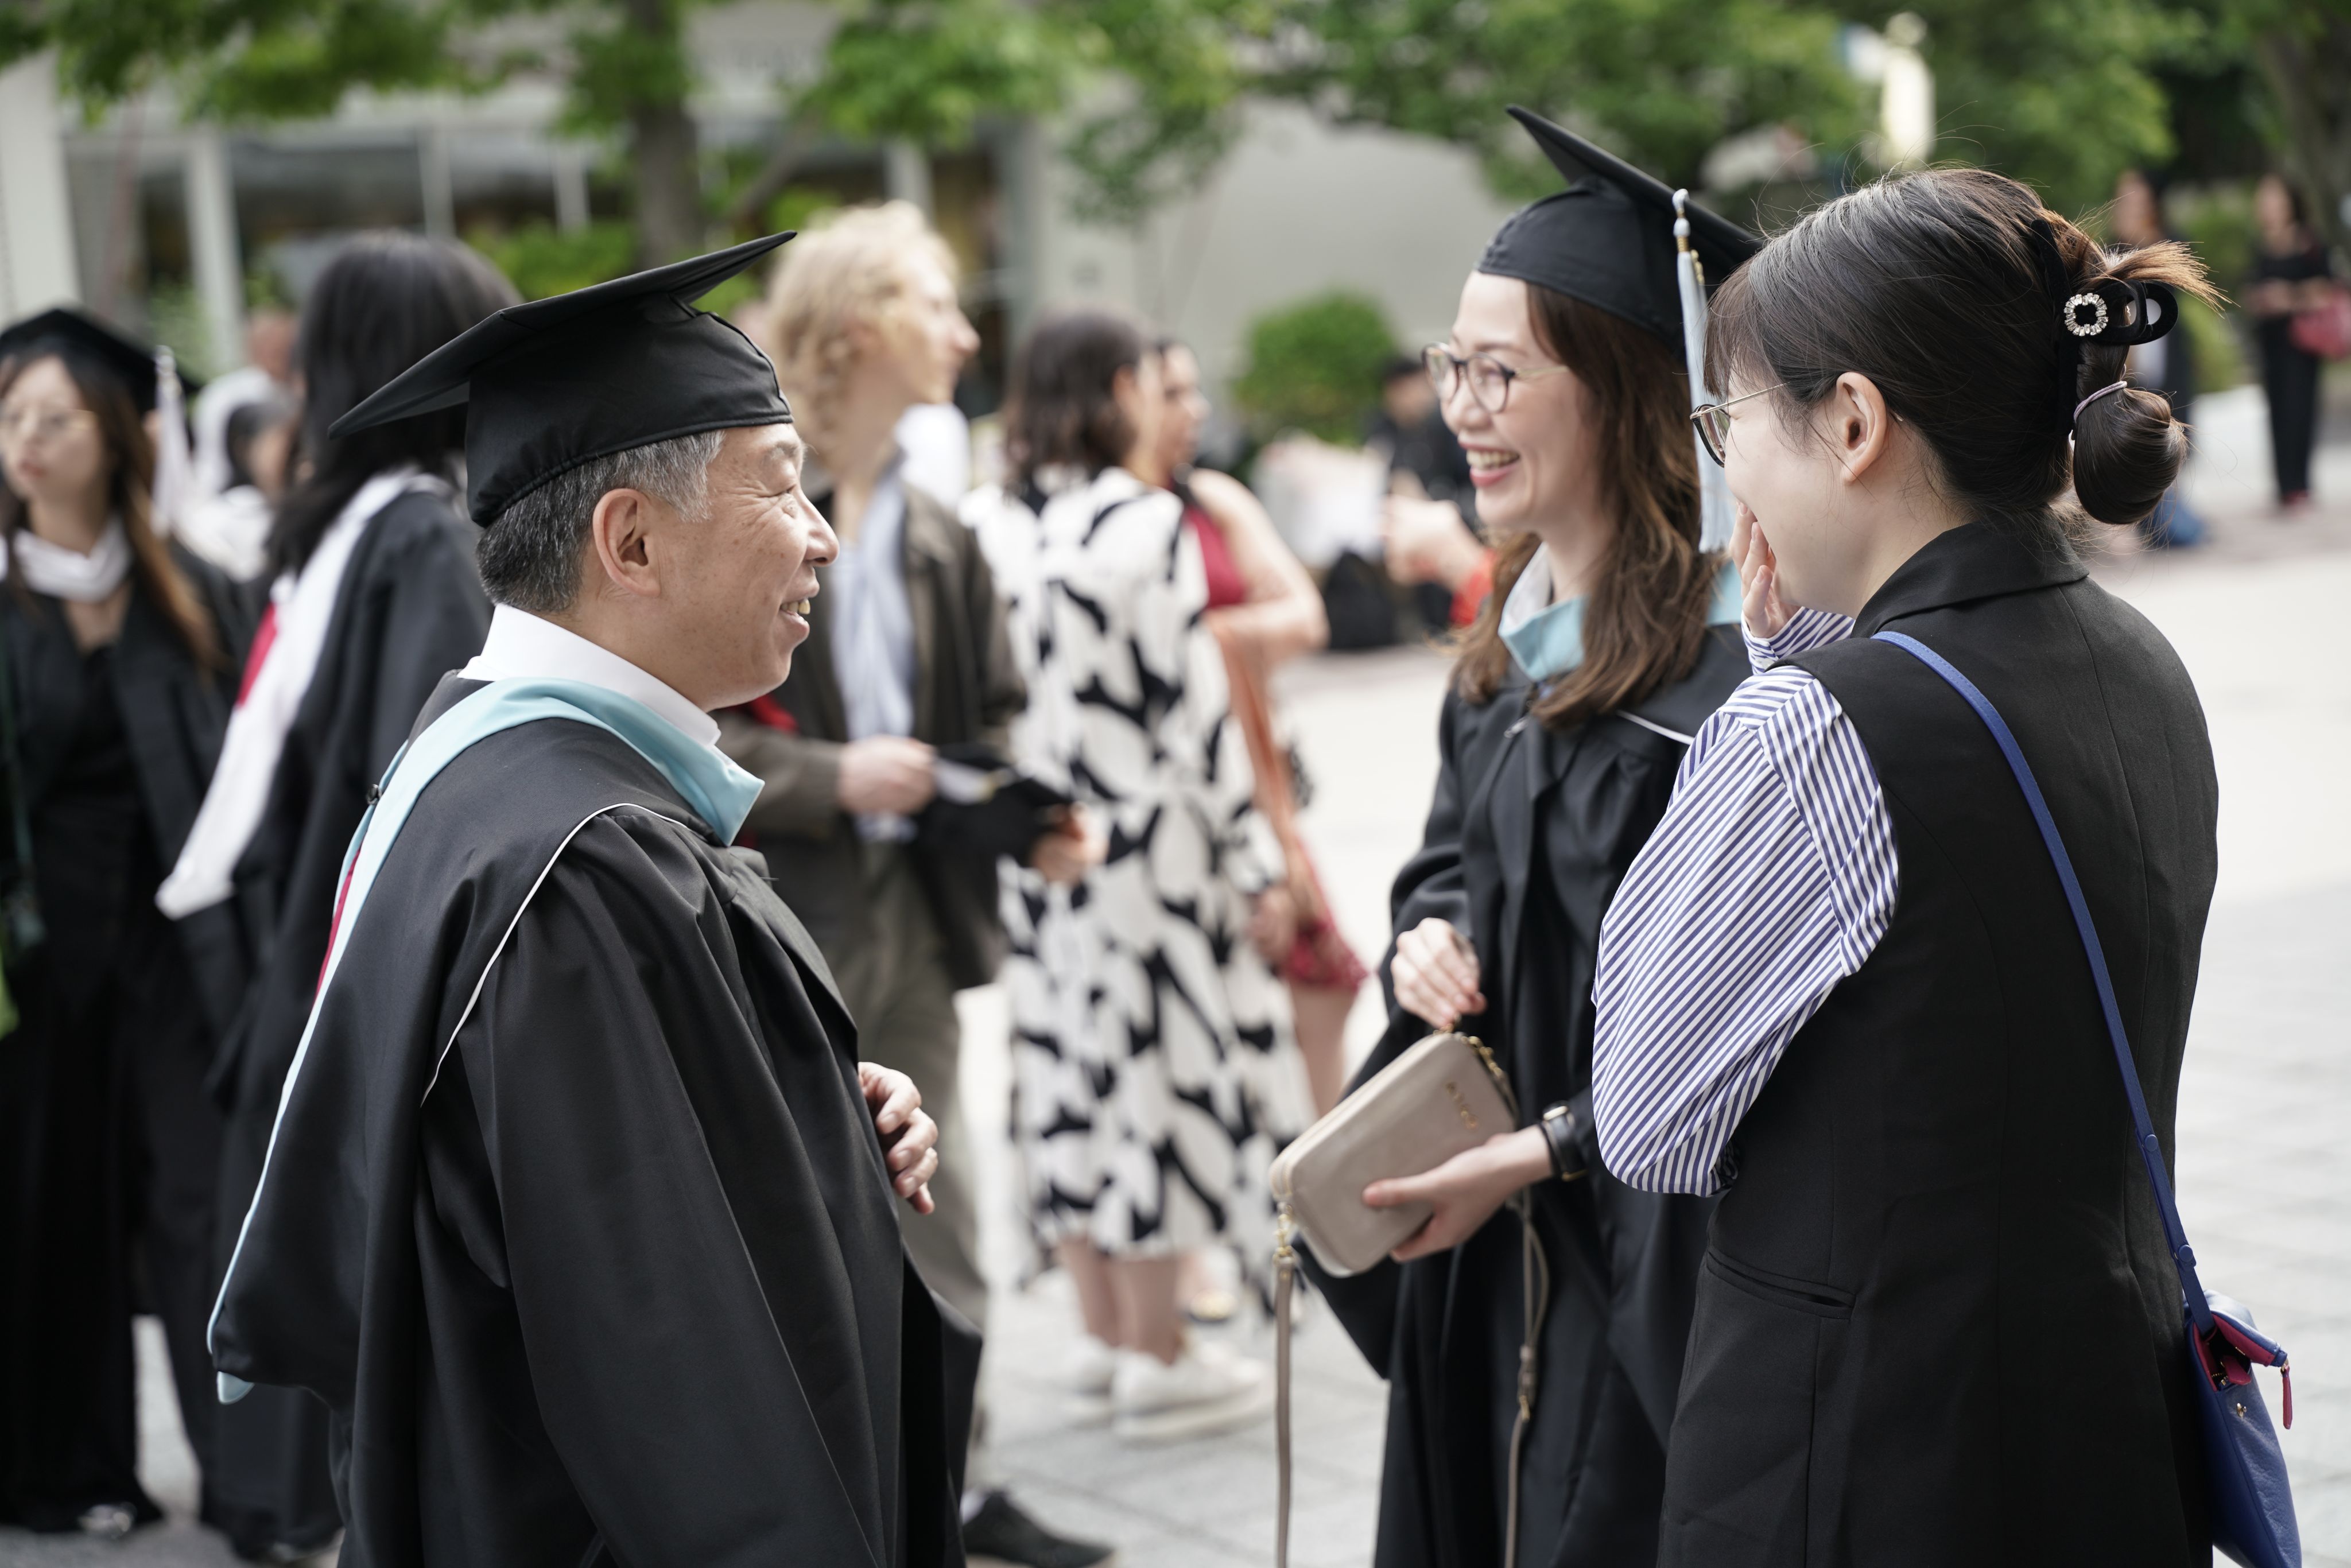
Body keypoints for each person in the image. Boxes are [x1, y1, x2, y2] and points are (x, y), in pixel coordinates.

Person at [208, 234, 974, 1565]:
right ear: (631, 540)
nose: (822, 539)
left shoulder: (486, 773)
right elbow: (678, 1385)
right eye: (781, 490)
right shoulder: (581, 870)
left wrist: (814, 1115)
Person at [1590, 169, 2220, 1563]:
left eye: (1732, 419)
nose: (1726, 466)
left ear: (1856, 422)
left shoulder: (1809, 728)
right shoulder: (2143, 661)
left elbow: (1646, 1119)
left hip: (1860, 1458)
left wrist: (1776, 691)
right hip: (2107, 1428)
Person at [1298, 109, 1754, 1568]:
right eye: (1454, 368)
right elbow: (1449, 858)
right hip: (1485, 1240)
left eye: (1501, 373)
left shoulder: (1727, 689)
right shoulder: (1504, 638)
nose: (1461, 409)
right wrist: (1421, 935)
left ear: (1625, 393)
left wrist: (1553, 1154)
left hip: (1648, 1262)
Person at [727, 201, 1108, 1568]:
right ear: (858, 327)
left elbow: (989, 718)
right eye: (936, 305)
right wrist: (839, 777)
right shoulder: (753, 502)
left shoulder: (940, 530)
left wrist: (1022, 815)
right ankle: (831, 1487)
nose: (964, 332)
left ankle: (954, 1479)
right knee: (799, 1206)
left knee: (939, 1201)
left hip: (914, 909)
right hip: (784, 910)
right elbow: (680, 717)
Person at [156, 232, 516, 1562]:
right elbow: (415, 776)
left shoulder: (338, 527)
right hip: (342, 949)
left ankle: (274, 1504)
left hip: (286, 935)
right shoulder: (420, 534)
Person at [967, 309, 1312, 1443]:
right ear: (1117, 388)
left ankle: (1107, 1334)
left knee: (1066, 1079)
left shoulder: (992, 525)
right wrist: (1259, 860)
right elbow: (1194, 713)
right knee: (1154, 1082)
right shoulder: (1142, 522)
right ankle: (1161, 1353)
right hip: (1147, 855)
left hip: (1040, 849)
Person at [0, 310, 250, 1542]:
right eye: (10, 420)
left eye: (54, 416)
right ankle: (70, 1467)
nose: (28, 442)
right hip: (42, 971)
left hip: (177, 956)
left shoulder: (196, 591)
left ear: (116, 434)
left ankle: (251, 1475)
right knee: (56, 1206)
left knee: (202, 1201)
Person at [1137, 336, 1359, 1117]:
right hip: (1167, 798)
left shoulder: (1212, 500)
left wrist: (1209, 641)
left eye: (1196, 392)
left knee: (1318, 981)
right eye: (1173, 394)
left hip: (1254, 769)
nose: (1195, 411)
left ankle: (1322, 1182)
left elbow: (1305, 615)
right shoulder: (1104, 521)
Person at [2113, 168, 2205, 548]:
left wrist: (2143, 239)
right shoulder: (2111, 246)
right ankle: (2143, 521)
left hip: (2166, 352)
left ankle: (2171, 520)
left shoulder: (2168, 239)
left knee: (2173, 425)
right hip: (2130, 358)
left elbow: (2181, 280)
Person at [2249, 172, 2337, 513]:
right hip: (2272, 341)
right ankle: (2284, 485)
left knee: (2301, 410)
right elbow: (2250, 289)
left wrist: (2289, 297)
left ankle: (2301, 483)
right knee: (2277, 411)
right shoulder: (2261, 245)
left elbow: (2328, 289)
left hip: (2303, 345)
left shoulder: (2309, 242)